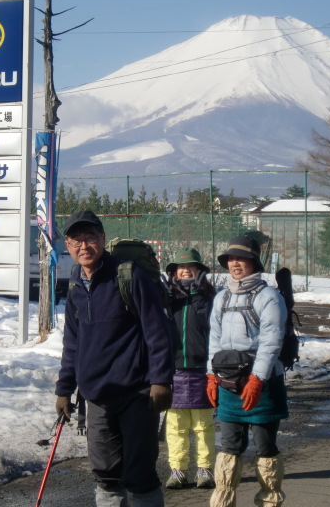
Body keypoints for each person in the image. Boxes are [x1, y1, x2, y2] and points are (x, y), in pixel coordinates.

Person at [54, 210, 175, 507]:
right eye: (75, 240)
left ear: (103, 239)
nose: (84, 246)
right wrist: (63, 388)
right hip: (96, 395)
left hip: (137, 392)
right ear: (67, 246)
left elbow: (158, 333)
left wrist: (161, 380)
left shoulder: (128, 274)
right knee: (105, 474)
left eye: (90, 237)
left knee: (140, 474)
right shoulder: (75, 283)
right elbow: (73, 342)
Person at [207, 236, 288, 507]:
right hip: (228, 383)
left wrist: (257, 378)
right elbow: (214, 339)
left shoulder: (270, 298)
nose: (235, 263)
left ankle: (269, 500)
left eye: (241, 258)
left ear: (254, 262)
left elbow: (271, 341)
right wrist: (210, 374)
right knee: (229, 446)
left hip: (262, 383)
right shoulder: (221, 298)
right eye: (230, 259)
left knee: (265, 446)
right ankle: (223, 502)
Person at [163, 247, 217, 490]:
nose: (186, 270)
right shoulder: (167, 298)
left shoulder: (208, 297)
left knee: (203, 425)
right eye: (181, 267)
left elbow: (209, 323)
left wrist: (196, 294)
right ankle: (178, 470)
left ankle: (204, 469)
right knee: (175, 426)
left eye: (191, 267)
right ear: (174, 273)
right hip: (173, 370)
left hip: (200, 369)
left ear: (200, 271)